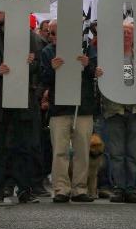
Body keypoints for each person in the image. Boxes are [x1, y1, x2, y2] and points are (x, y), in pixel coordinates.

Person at [0, 9, 43, 204]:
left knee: (22, 146)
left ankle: (25, 189)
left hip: (21, 99)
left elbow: (39, 66)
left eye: (0, 12)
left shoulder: (30, 38)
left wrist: (31, 63)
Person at [39, 21, 100, 203]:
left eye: (55, 33)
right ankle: (61, 188)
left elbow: (96, 73)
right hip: (59, 108)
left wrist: (88, 64)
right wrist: (52, 69)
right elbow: (44, 78)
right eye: (50, 34)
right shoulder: (48, 52)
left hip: (83, 107)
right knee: (59, 150)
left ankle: (80, 188)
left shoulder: (86, 49)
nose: (53, 37)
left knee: (82, 150)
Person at [96, 22, 136, 204]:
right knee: (116, 152)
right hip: (114, 109)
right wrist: (98, 73)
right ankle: (119, 188)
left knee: (133, 152)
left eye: (130, 32)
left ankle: (131, 187)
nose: (127, 35)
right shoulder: (108, 58)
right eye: (123, 32)